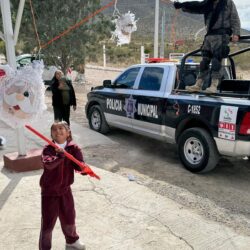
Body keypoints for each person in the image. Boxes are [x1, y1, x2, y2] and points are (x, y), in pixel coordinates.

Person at [174, 0, 241, 93]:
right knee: (204, 61)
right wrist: (182, 6)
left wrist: (236, 33)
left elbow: (234, 18)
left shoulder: (227, 2)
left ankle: (214, 85)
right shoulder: (208, 3)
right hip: (209, 35)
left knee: (216, 60)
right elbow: (197, 7)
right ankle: (198, 84)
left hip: (222, 35)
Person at [39, 121, 86, 250]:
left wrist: (83, 169)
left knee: (69, 217)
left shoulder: (73, 148)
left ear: (68, 132)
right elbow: (48, 164)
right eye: (54, 130)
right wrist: (60, 155)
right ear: (51, 134)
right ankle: (45, 247)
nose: (58, 131)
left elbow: (79, 164)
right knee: (48, 223)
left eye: (61, 128)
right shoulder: (48, 149)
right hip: (49, 191)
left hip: (65, 190)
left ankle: (71, 241)